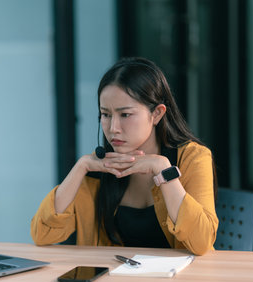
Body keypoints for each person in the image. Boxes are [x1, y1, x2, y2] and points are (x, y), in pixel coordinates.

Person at [31, 57, 218, 255]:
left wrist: (164, 169)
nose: (113, 129)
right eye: (106, 115)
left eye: (125, 115)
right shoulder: (97, 167)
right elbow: (42, 234)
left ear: (156, 114)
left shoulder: (192, 157)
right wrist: (80, 167)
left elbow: (201, 241)